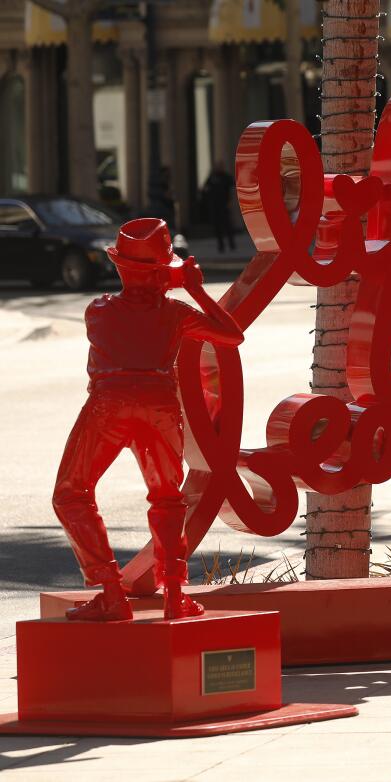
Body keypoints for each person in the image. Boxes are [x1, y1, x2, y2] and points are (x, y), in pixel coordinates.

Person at [51, 218, 244, 621]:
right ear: (161, 272)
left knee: (72, 493)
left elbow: (130, 315)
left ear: (121, 268)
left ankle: (110, 591)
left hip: (109, 405)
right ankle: (174, 593)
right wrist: (193, 289)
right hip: (159, 407)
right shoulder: (175, 313)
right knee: (167, 498)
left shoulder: (98, 310)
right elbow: (232, 335)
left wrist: (159, 281)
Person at [200, 160, 236, 253]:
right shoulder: (212, 177)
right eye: (217, 166)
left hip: (224, 205)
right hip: (214, 205)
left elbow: (232, 186)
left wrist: (230, 202)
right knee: (218, 226)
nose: (219, 168)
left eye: (220, 166)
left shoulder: (226, 177)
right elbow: (205, 188)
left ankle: (232, 244)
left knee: (227, 225)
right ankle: (221, 246)